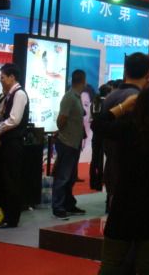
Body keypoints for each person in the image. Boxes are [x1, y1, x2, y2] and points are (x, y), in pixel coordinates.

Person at [99, 84, 149, 275]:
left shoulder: (128, 129)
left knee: (111, 264)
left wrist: (123, 106)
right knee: (145, 267)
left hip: (123, 203)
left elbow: (98, 124)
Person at [95, 53, 149, 209]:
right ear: (148, 73)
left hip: (112, 165)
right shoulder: (137, 99)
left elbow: (100, 126)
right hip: (130, 171)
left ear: (126, 71)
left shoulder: (111, 96)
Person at [0, 63, 29, 228]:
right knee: (6, 179)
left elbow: (13, 120)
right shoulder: (9, 95)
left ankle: (11, 219)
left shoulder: (19, 94)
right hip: (7, 142)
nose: (1, 80)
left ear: (12, 77)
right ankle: (8, 216)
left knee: (11, 180)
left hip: (14, 143)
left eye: (3, 77)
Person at [52, 69, 87, 220]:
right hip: (67, 142)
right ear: (83, 81)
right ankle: (58, 207)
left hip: (73, 142)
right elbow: (61, 119)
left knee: (70, 177)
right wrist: (62, 131)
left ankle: (68, 204)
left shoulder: (75, 97)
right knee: (63, 177)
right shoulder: (70, 97)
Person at [90, 84, 112, 192]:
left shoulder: (95, 102)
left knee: (94, 158)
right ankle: (99, 182)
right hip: (103, 133)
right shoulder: (107, 103)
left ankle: (93, 182)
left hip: (95, 133)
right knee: (101, 159)